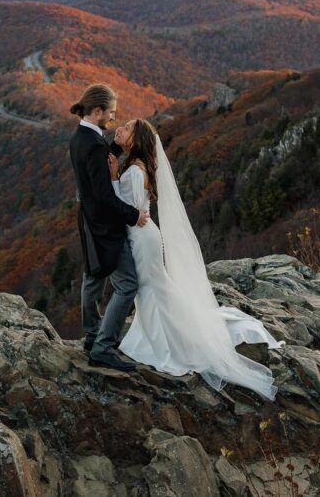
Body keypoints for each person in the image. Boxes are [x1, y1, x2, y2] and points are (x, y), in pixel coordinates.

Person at [110, 117, 284, 400]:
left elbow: (126, 208)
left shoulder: (134, 171)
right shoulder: (140, 166)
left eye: (127, 127)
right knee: (154, 288)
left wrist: (112, 179)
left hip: (142, 237)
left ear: (136, 139)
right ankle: (168, 333)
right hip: (146, 235)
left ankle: (166, 343)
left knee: (150, 289)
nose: (120, 128)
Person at [68, 84, 150, 371]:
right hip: (106, 225)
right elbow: (104, 194)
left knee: (93, 274)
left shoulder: (81, 136)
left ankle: (92, 336)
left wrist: (114, 146)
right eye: (111, 113)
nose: (114, 118)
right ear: (97, 110)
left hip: (89, 220)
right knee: (127, 285)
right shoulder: (92, 143)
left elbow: (97, 165)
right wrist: (132, 215)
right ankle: (103, 348)